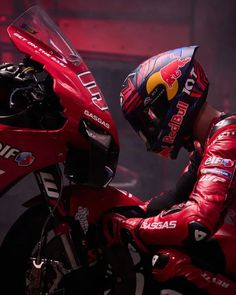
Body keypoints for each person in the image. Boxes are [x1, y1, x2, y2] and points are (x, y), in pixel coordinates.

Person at [104, 46, 236, 294]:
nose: (149, 128)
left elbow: (197, 224)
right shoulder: (208, 140)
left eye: (149, 117)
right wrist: (130, 213)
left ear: (171, 101)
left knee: (166, 263)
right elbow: (175, 196)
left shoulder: (228, 138)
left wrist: (135, 228)